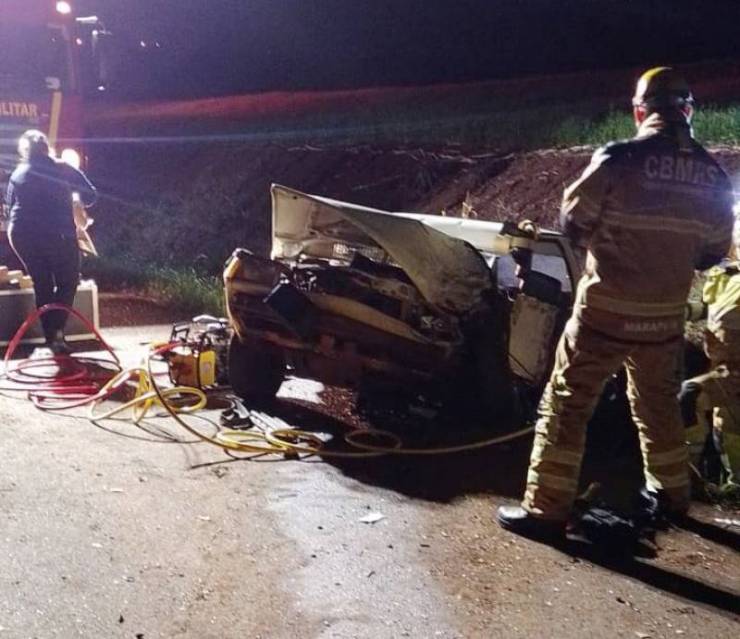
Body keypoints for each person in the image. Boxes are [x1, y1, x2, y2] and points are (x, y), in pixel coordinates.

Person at [496, 67, 736, 539]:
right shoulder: (713, 175)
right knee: (659, 407)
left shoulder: (618, 158)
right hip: (663, 321)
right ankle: (672, 498)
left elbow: (573, 222)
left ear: (639, 111)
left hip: (604, 314)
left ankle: (546, 510)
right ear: (688, 111)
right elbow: (712, 253)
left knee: (567, 404)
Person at [4, 130, 97, 354]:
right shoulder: (63, 167)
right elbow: (91, 196)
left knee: (42, 282)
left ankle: (51, 337)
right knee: (68, 281)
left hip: (21, 234)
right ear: (47, 148)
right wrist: (75, 198)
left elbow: (9, 204)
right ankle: (56, 334)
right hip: (57, 233)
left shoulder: (18, 173)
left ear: (25, 151)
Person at [681, 206, 740, 497]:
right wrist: (680, 312)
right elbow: (708, 309)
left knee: (691, 397)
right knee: (717, 423)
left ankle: (698, 481)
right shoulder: (726, 276)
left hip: (733, 371)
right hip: (720, 366)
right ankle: (699, 482)